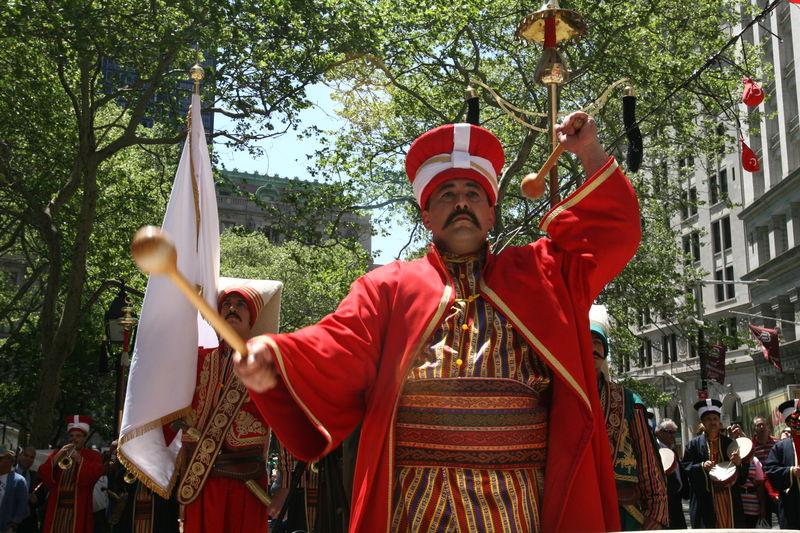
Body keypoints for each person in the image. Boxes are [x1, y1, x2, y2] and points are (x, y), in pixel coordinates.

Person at [235, 112, 642, 532]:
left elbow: (612, 234)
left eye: (473, 193)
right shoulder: (388, 287)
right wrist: (273, 354)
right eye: (447, 194)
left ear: (491, 214)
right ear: (426, 216)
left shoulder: (543, 273)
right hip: (416, 499)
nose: (462, 202)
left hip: (516, 499)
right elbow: (337, 343)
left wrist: (589, 151)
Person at [163, 282, 277, 533]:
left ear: (252, 318)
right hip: (200, 479)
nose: (232, 309)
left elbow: (289, 421)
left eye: (240, 305)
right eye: (226, 304)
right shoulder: (198, 358)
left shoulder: (269, 363)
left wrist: (286, 485)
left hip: (246, 482)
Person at [590, 305, 667, 530]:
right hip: (579, 507)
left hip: (625, 512)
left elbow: (647, 457)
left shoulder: (629, 400)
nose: (594, 346)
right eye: (587, 340)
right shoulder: (563, 398)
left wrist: (657, 510)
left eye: (599, 342)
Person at [682, 399, 748, 528]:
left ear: (719, 422)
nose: (712, 422)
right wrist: (701, 466)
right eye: (708, 419)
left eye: (715, 419)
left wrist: (739, 463)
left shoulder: (730, 443)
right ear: (703, 423)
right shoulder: (693, 445)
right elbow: (685, 468)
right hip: (706, 500)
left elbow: (742, 474)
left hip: (728, 497)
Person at [39, 416, 104, 533]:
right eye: (71, 436)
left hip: (78, 508)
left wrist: (79, 459)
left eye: (78, 436)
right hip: (57, 508)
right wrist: (57, 456)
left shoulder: (93, 456)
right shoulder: (59, 453)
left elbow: (94, 475)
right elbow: (42, 473)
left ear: (85, 438)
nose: (74, 439)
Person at [764, 399, 800, 529]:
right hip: (791, 506)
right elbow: (769, 470)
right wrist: (791, 471)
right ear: (789, 423)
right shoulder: (780, 447)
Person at [654, 419, 687, 529]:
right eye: (670, 432)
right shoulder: (654, 450)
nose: (673, 436)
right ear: (659, 432)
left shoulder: (672, 451)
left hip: (677, 501)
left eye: (674, 432)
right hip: (664, 502)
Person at [748, 416, 778, 527]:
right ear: (754, 429)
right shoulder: (751, 446)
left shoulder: (776, 443)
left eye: (763, 424)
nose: (761, 427)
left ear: (768, 427)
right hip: (760, 489)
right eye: (758, 425)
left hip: (776, 485)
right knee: (765, 518)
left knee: (782, 515)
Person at [15, 446, 45, 533]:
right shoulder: (8, 473)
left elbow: (41, 499)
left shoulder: (36, 477)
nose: (28, 459)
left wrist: (36, 500)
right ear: (19, 456)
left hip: (28, 524)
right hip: (8, 522)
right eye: (26, 455)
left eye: (32, 457)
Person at [0, 445, 29, 532]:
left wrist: (13, 525)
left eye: (9, 459)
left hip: (5, 526)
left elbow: (22, 505)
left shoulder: (19, 480)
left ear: (11, 462)